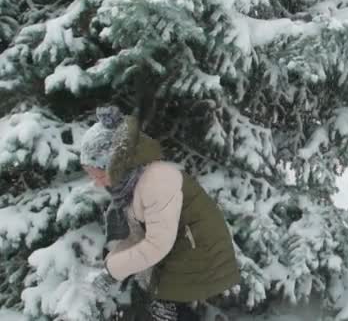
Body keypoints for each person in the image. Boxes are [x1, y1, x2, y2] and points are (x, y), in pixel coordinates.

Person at [79, 106, 240, 321]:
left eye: (99, 174)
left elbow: (157, 245)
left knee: (169, 309)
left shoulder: (157, 179)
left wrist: (113, 271)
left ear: (116, 165)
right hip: (178, 250)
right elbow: (136, 236)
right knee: (162, 308)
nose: (97, 183)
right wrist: (111, 267)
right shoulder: (128, 186)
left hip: (197, 252)